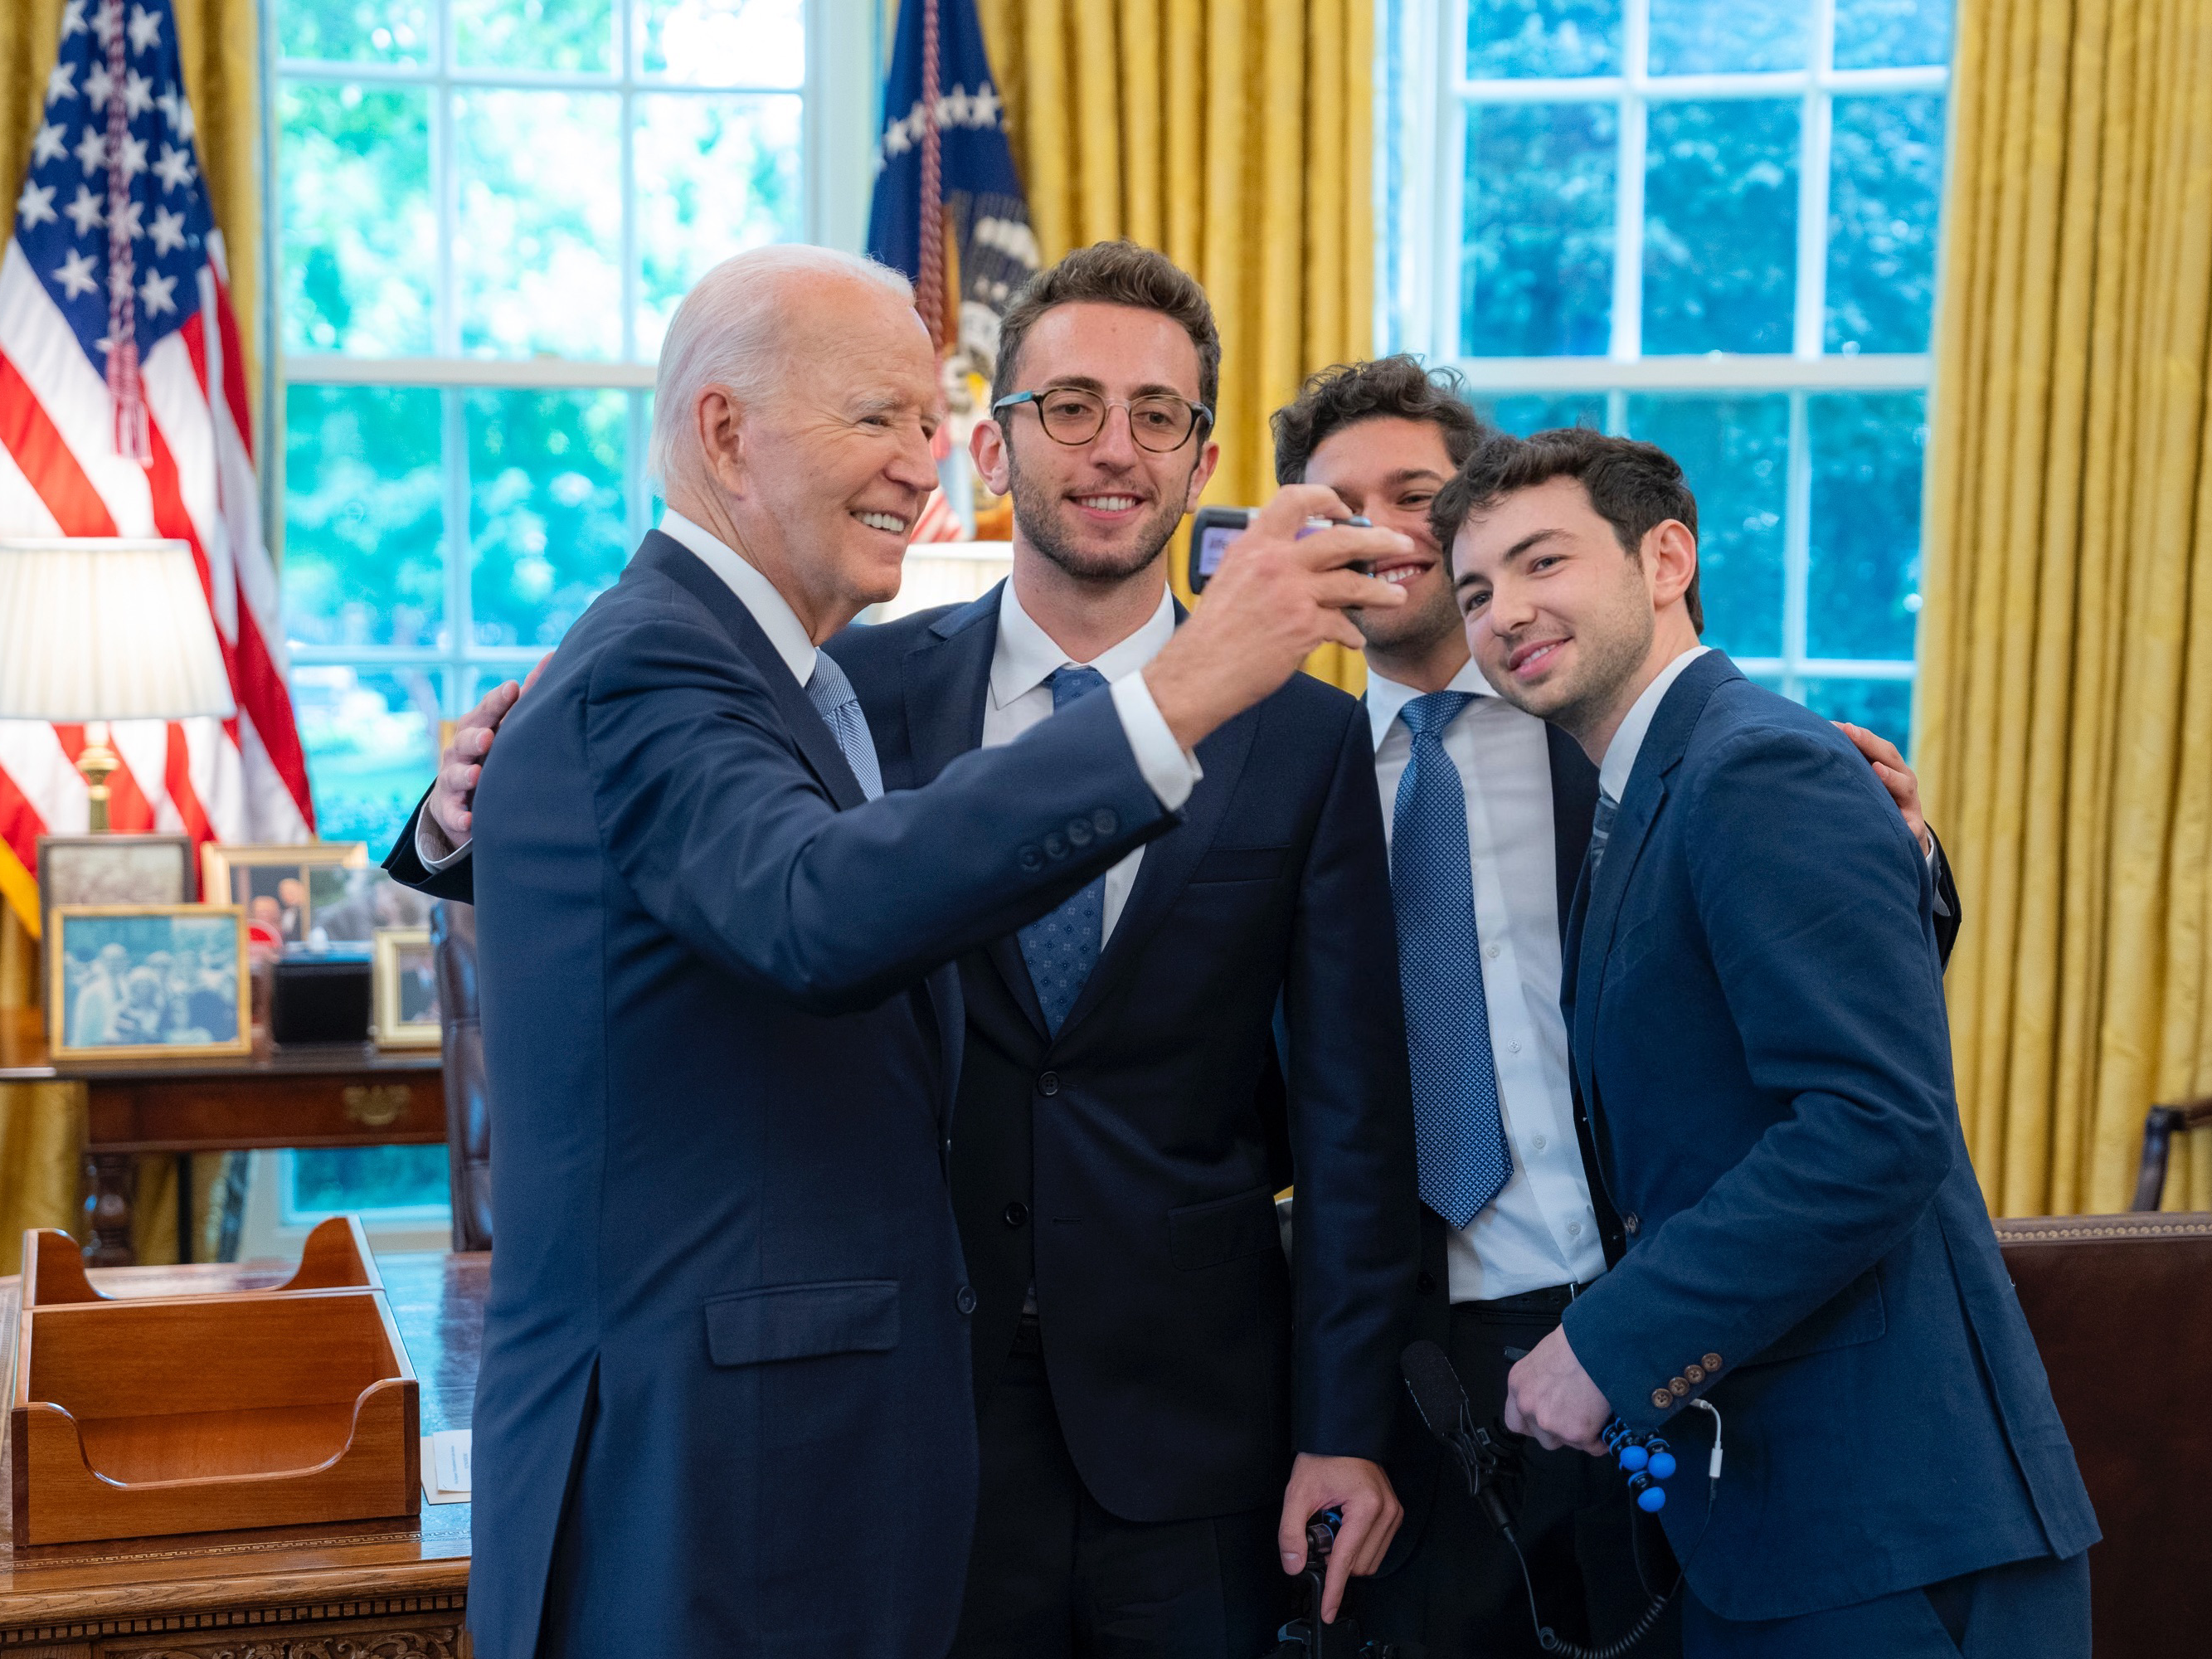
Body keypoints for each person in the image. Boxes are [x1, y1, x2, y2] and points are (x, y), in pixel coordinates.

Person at [378, 243, 1413, 1659]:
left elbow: (1350, 1112)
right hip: (748, 1457)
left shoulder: (780, 678)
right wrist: (1177, 698)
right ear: (726, 435)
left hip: (1154, 1424)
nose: (917, 463)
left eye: (925, 422)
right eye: (879, 418)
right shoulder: (731, 669)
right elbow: (809, 903)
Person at [1269, 360, 1964, 1658]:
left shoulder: (1618, 723)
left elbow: (1831, 1056)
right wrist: (1335, 1419)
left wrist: (1905, 860)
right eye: (1334, 509)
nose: (1376, 533)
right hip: (1432, 1381)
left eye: (1411, 496)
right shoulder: (1272, 780)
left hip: (1688, 1345)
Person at [824, 242, 1418, 1656]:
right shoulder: (855, 691)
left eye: (1158, 417)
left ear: (1201, 464)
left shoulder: (1305, 735)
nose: (1114, 449)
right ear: (992, 446)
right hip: (914, 1406)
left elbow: (1351, 1118)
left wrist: (1343, 1425)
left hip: (1196, 1428)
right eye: (1072, 406)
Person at [1441, 427, 2095, 1658]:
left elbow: (1874, 1126)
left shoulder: (1754, 765)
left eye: (1542, 562)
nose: (1503, 611)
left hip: (1887, 1526)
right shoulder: (1656, 789)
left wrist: (1613, 1343)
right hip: (1778, 1523)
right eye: (1474, 592)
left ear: (1665, 560)